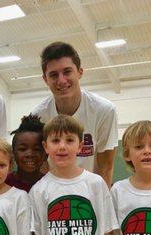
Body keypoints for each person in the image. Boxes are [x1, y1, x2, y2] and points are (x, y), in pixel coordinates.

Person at [32, 41, 118, 187]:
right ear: (45, 79)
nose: (61, 81)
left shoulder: (104, 110)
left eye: (67, 72)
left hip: (90, 193)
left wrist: (100, 202)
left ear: (79, 72)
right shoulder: (38, 116)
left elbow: (106, 167)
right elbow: (42, 166)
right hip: (54, 193)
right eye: (53, 75)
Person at [5, 114, 46, 193]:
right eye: (22, 149)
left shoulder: (50, 185)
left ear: (45, 152)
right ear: (13, 153)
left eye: (37, 149)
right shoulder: (3, 183)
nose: (29, 154)